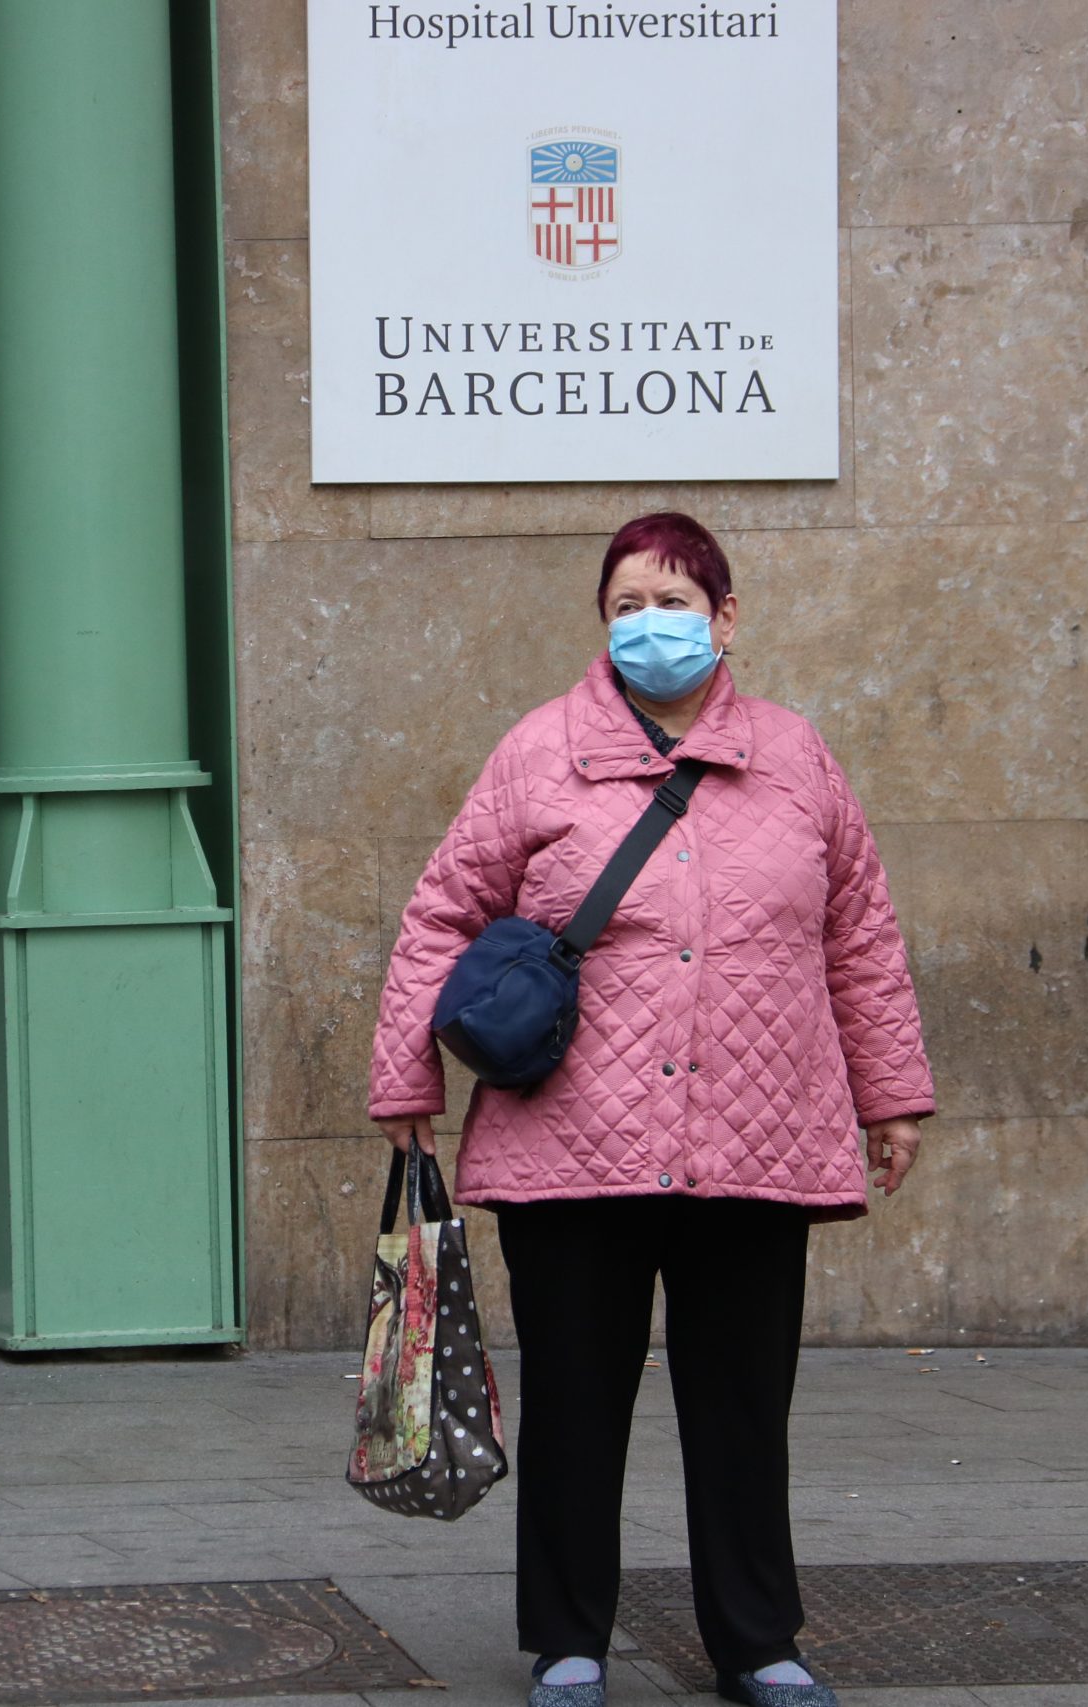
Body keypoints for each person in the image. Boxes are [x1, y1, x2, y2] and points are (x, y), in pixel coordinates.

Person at [367, 512, 935, 1707]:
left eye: (673, 602)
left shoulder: (796, 757)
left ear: (725, 619)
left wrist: (889, 1094)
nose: (649, 625)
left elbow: (859, 935)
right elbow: (440, 914)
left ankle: (758, 1642)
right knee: (576, 1403)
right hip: (574, 1142)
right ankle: (568, 1641)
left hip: (757, 1135)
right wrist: (406, 1076)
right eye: (626, 606)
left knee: (742, 1407)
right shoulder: (538, 753)